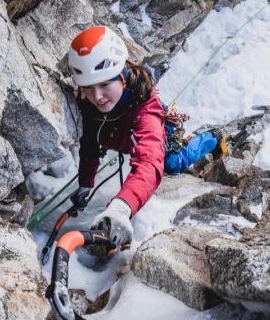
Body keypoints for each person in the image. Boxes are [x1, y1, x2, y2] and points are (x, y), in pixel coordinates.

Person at [67, 26, 226, 248]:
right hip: (124, 138)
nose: (97, 96)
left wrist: (121, 208)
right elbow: (91, 142)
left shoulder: (145, 109)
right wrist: (85, 183)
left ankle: (212, 137)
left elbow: (149, 164)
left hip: (156, 134)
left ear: (122, 78)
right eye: (89, 88)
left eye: (105, 84)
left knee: (172, 163)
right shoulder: (88, 101)